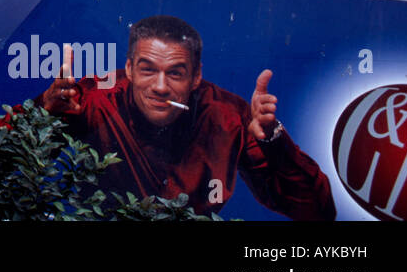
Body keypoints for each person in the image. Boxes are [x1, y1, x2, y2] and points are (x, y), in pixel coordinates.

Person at [34, 15, 335, 220]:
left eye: (175, 73)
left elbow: (317, 210)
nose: (161, 87)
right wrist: (42, 113)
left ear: (196, 78)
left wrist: (273, 140)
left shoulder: (229, 115)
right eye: (148, 69)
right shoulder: (93, 98)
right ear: (129, 69)